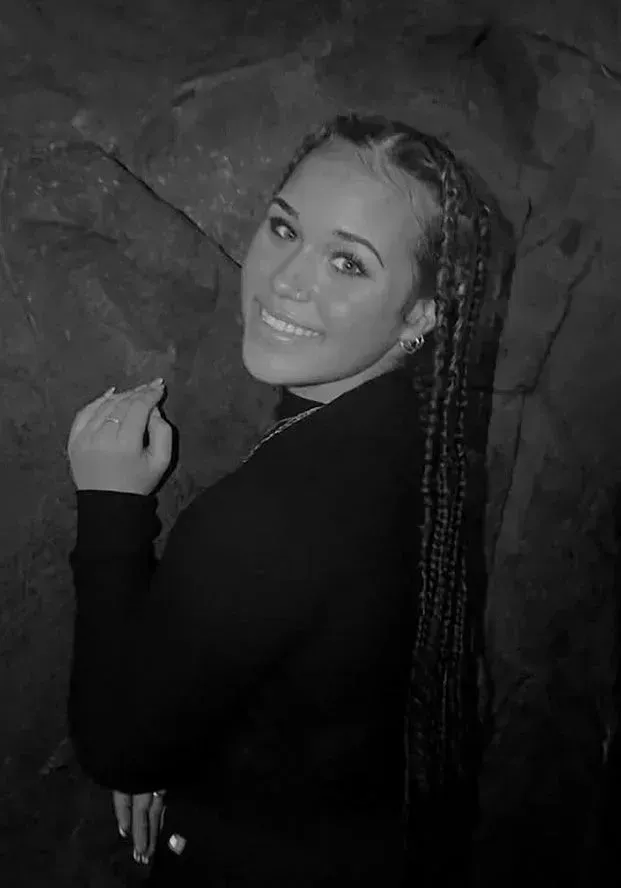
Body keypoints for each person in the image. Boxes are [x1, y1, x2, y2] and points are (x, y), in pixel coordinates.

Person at [66, 112, 493, 886]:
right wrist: (178, 719)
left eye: (348, 263)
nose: (286, 278)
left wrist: (110, 505)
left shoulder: (268, 517)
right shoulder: (419, 443)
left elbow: (116, 748)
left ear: (421, 314)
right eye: (284, 228)